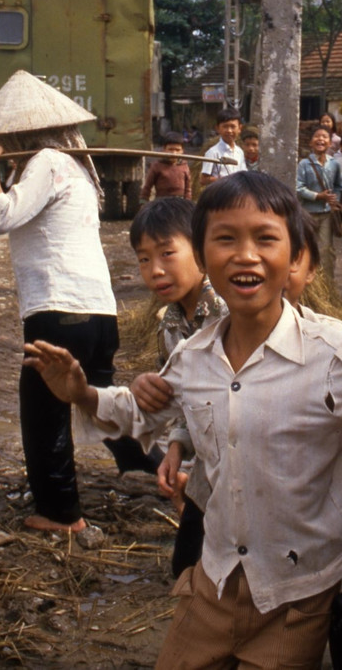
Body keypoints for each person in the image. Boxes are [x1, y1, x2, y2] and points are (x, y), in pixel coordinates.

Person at [24, 171, 342, 668]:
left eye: (265, 239)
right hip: (216, 577)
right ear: (205, 258)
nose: (245, 255)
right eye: (225, 239)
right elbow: (143, 413)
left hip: (297, 594)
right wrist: (81, 393)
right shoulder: (194, 355)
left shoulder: (331, 354)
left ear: (295, 258)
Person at [0, 70, 119, 534]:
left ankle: (60, 514)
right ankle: (170, 471)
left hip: (58, 313)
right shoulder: (75, 167)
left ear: (24, 134)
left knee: (43, 411)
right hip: (97, 313)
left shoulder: (49, 161)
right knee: (105, 407)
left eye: (11, 137)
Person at [128, 197, 224, 578]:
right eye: (144, 259)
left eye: (167, 253)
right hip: (214, 467)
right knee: (186, 570)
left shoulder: (235, 314)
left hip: (253, 476)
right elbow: (187, 399)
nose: (155, 270)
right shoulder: (171, 322)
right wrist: (178, 448)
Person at [296, 125, 342, 281]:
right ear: (310, 142)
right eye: (317, 136)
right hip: (308, 213)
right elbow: (298, 188)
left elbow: (339, 186)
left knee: (326, 250)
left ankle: (327, 285)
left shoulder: (334, 164)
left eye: (324, 137)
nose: (320, 139)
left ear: (330, 143)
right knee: (306, 248)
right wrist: (317, 196)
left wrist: (334, 199)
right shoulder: (304, 164)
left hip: (326, 215)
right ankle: (306, 283)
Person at [200, 108, 245, 186]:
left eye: (233, 127)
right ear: (217, 128)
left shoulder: (239, 152)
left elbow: (243, 173)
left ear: (239, 128)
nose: (229, 131)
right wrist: (224, 180)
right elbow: (203, 179)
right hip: (219, 194)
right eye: (225, 127)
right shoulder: (213, 152)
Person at [140, 132, 191, 201]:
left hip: (179, 202)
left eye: (177, 150)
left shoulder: (184, 166)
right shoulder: (157, 166)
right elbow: (147, 187)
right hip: (162, 202)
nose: (174, 153)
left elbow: (188, 190)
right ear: (164, 149)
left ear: (182, 151)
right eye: (170, 149)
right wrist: (143, 203)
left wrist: (187, 203)